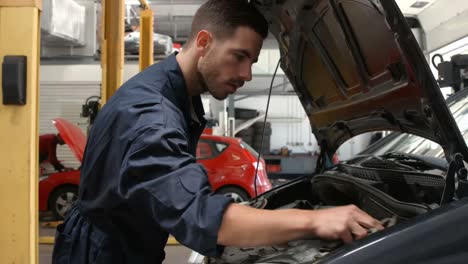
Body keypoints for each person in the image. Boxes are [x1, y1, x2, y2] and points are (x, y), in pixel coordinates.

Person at [52, 1, 383, 263]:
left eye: (252, 61)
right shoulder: (152, 116)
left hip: (124, 240)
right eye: (239, 56)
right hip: (103, 253)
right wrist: (316, 221)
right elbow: (204, 219)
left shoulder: (178, 92)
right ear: (204, 42)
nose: (247, 74)